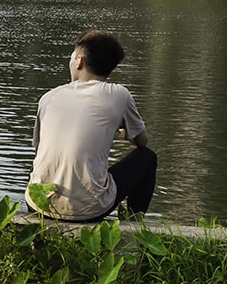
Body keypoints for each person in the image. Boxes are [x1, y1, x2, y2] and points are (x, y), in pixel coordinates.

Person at [28, 29, 157, 220]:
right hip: (88, 211)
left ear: (79, 61)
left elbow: (40, 149)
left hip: (37, 204)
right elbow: (142, 142)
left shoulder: (48, 97)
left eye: (72, 57)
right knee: (147, 157)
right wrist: (123, 129)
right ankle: (134, 226)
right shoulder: (120, 95)